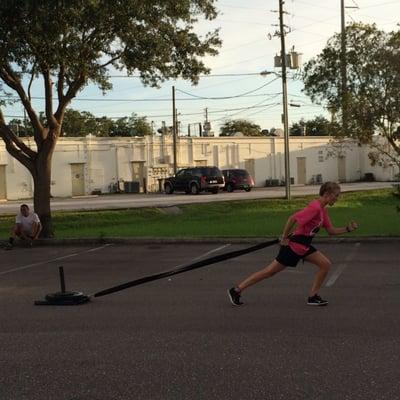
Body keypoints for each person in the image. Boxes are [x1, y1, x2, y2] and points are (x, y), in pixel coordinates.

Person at [227, 182, 358, 307]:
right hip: (294, 247)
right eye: (336, 195)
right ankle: (237, 290)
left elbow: (331, 231)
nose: (337, 198)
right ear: (327, 194)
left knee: (325, 264)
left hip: (304, 247)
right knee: (269, 272)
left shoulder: (322, 211)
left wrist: (347, 229)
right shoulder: (315, 208)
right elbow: (292, 218)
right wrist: (284, 238)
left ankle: (313, 297)